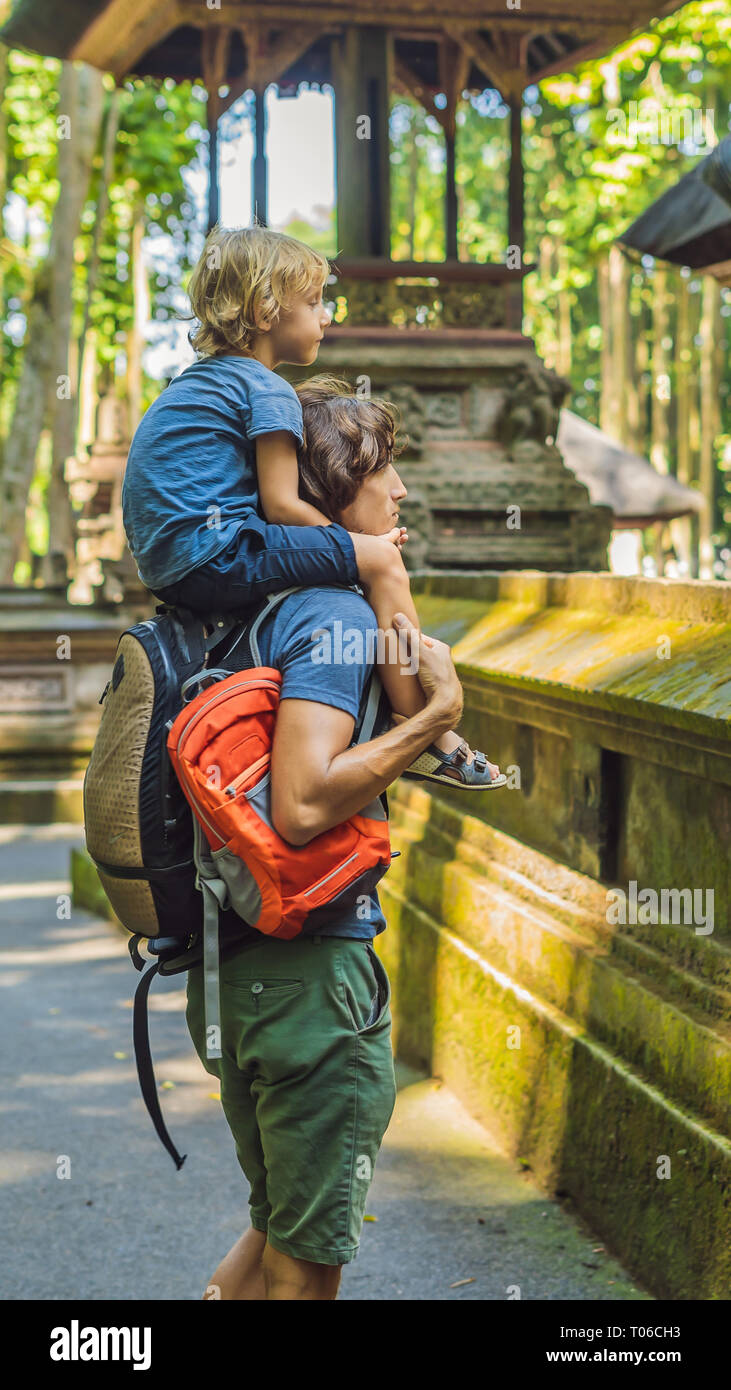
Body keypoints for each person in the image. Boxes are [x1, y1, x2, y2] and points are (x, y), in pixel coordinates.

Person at [183, 414, 503, 1300]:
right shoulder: (328, 613)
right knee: (306, 1267)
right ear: (328, 491)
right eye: (382, 470)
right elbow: (303, 800)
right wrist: (437, 721)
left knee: (277, 1225)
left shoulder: (238, 607)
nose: (399, 490)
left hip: (233, 968)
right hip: (309, 979)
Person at [121, 223, 500, 789]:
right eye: (316, 302)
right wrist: (354, 549)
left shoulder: (196, 384)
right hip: (219, 552)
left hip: (170, 568)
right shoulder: (268, 390)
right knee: (383, 564)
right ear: (267, 311)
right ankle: (424, 726)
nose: (328, 317)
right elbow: (280, 505)